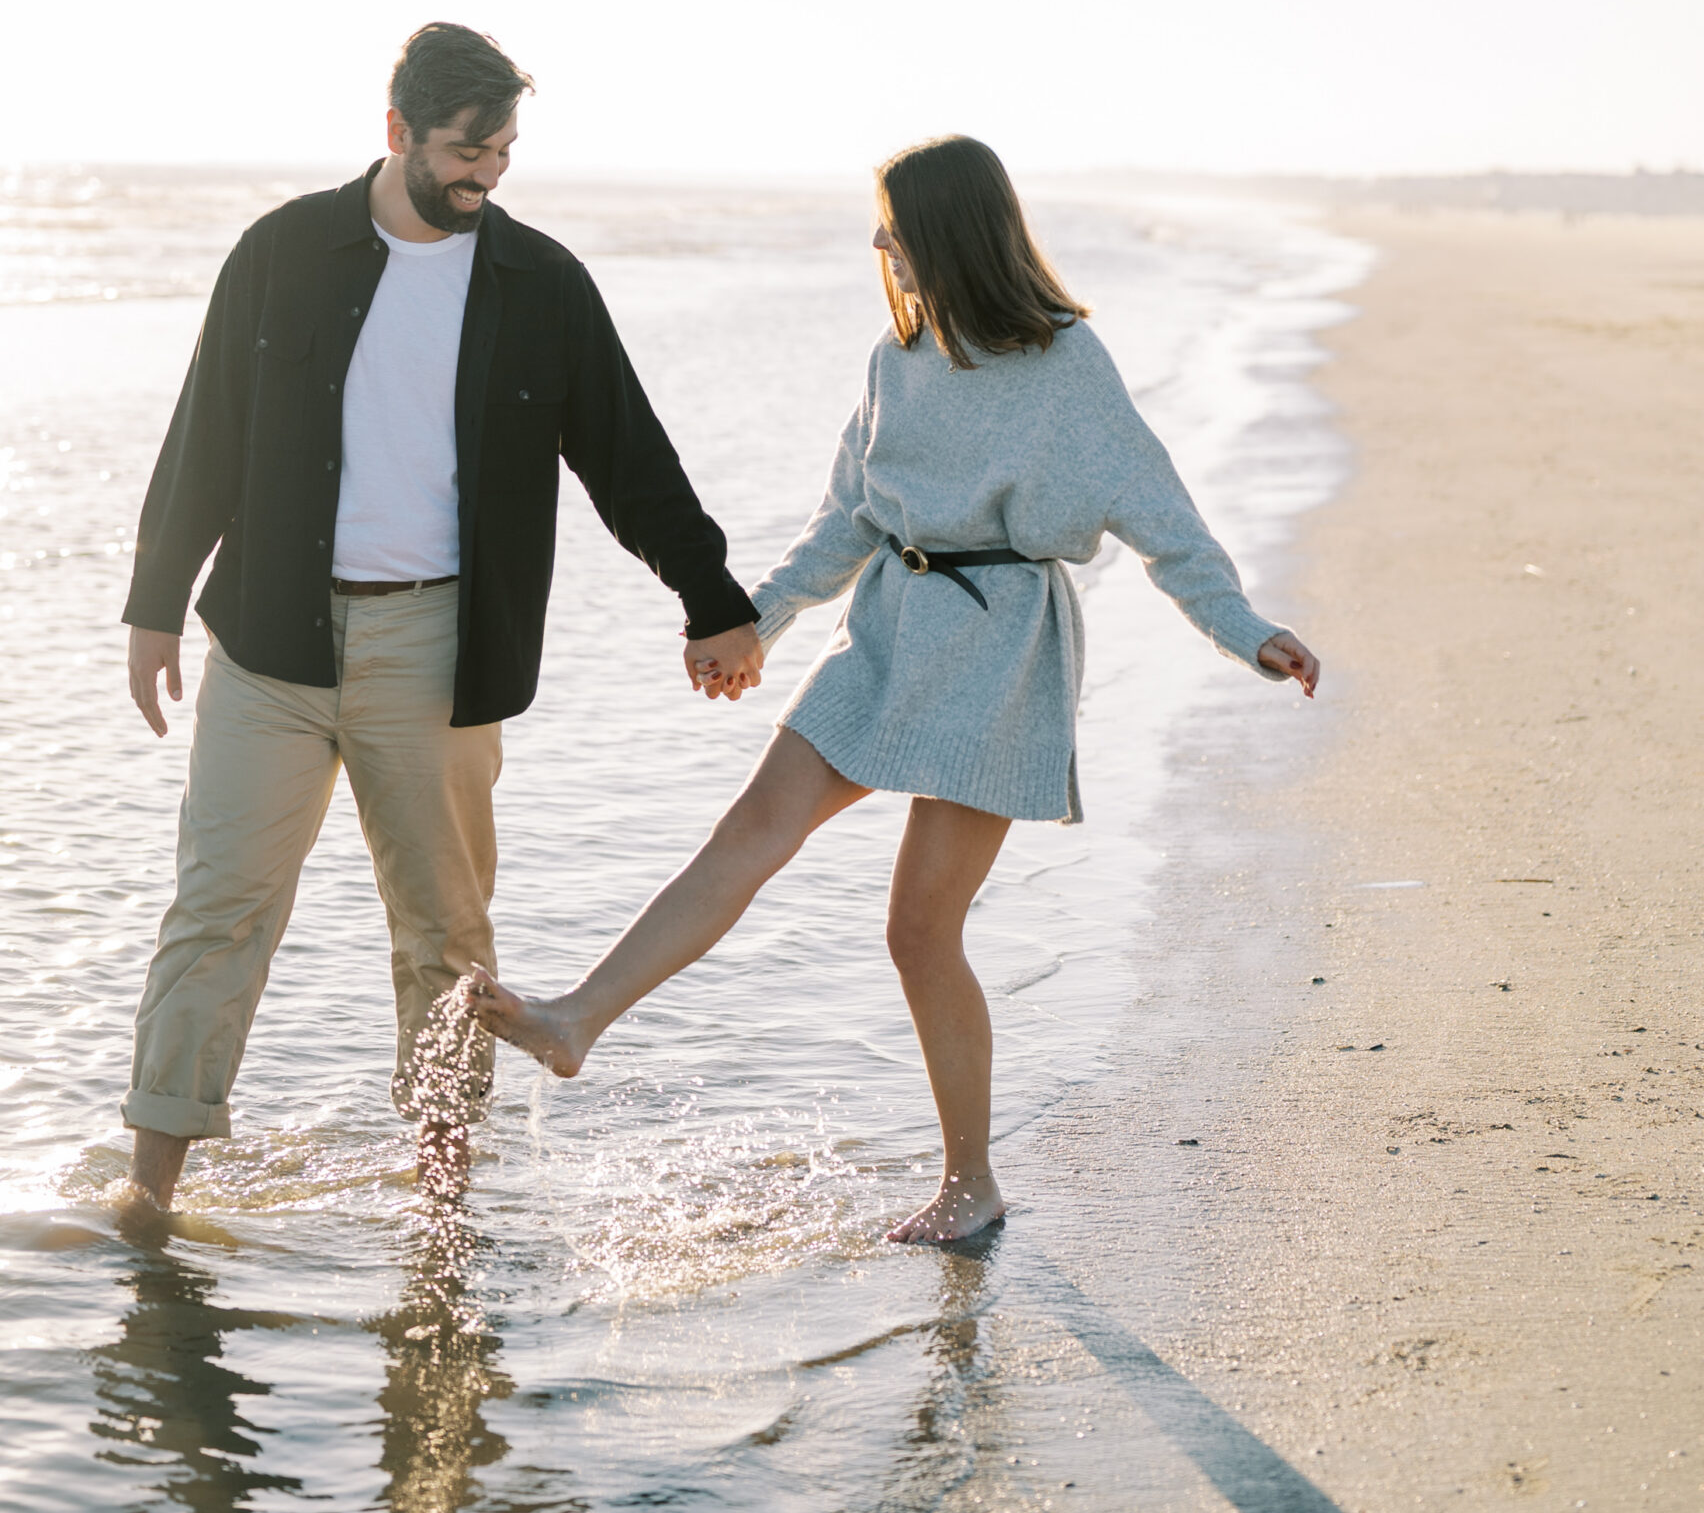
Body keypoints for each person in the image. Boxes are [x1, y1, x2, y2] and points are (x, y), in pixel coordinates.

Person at [470, 134, 1320, 1244]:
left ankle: (972, 1183)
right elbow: (848, 519)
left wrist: (1245, 632)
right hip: (884, 632)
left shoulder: (1070, 366)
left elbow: (1163, 517)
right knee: (749, 831)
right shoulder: (897, 356)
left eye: (895, 226)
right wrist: (753, 624)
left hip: (999, 650)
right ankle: (576, 1018)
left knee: (920, 931)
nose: (880, 244)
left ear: (952, 233)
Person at [119, 22, 761, 1210]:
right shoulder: (284, 249)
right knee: (216, 910)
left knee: (447, 935)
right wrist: (155, 605)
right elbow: (206, 425)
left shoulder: (541, 285)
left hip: (437, 650)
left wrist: (712, 601)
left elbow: (629, 456)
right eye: (469, 150)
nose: (488, 175)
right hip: (267, 641)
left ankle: (441, 1196)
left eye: (506, 151)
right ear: (397, 130)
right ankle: (149, 1195)